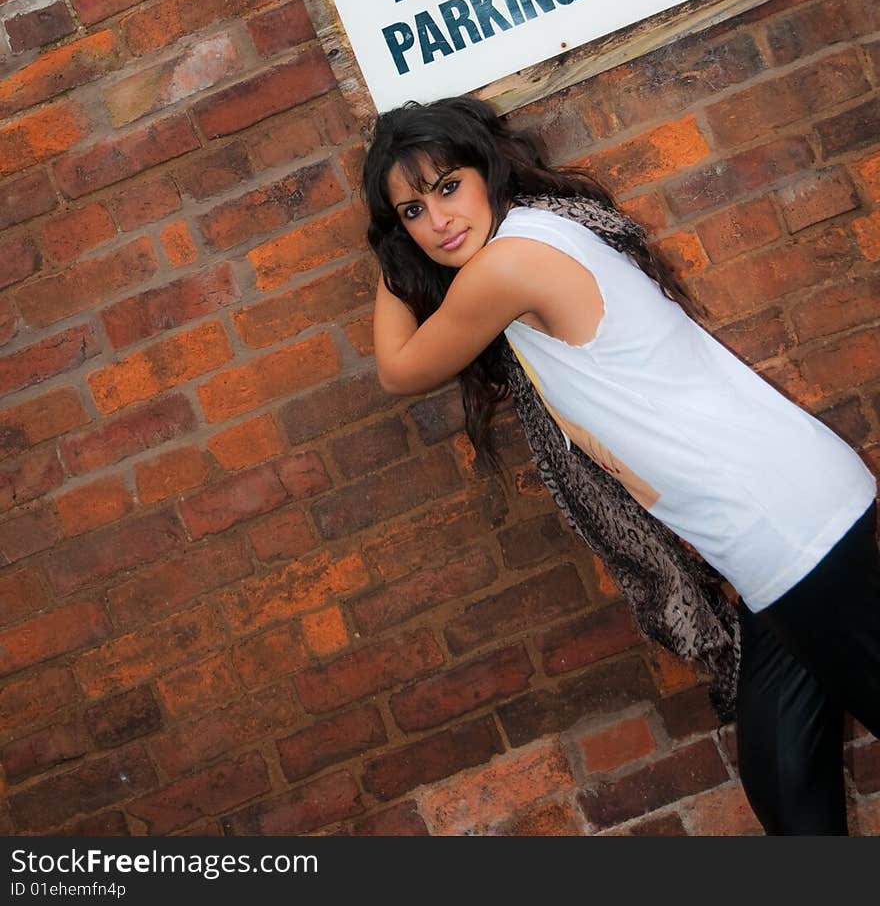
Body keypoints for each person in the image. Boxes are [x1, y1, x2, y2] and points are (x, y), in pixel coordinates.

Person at [363, 93, 880, 836]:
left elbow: (400, 369)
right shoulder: (541, 230)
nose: (437, 222)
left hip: (787, 525)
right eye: (411, 212)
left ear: (485, 173)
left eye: (446, 187)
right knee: (784, 782)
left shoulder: (506, 267)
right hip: (778, 523)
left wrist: (387, 259)